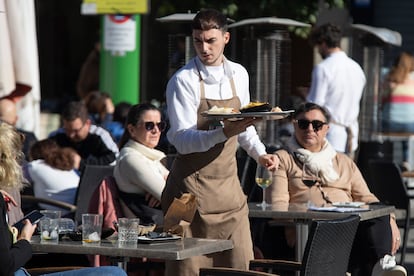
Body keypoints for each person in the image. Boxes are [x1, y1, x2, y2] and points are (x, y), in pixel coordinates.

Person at [161, 8, 278, 275]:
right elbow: (181, 141)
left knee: (242, 267)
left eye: (210, 40)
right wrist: (223, 133)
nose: (204, 48)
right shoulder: (183, 80)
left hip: (229, 194)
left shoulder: (239, 74)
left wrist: (260, 154)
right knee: (186, 271)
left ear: (226, 38)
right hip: (186, 195)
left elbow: (244, 125)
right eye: (198, 41)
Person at [269, 102, 401, 276]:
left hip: (348, 228)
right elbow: (277, 206)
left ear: (326, 129)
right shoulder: (283, 159)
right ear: (295, 125)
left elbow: (368, 198)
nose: (310, 129)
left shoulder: (343, 161)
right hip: (309, 230)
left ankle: (383, 265)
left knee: (379, 214)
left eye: (316, 125)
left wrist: (390, 218)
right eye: (303, 124)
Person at [0, 121, 126, 276]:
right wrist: (24, 239)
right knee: (115, 274)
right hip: (69, 219)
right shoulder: (68, 169)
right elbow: (6, 265)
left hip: (55, 225)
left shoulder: (34, 167)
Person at [306, 23, 366, 158]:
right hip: (351, 136)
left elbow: (314, 106)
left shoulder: (323, 68)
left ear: (322, 43)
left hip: (330, 135)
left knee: (325, 178)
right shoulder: (357, 68)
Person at [114, 103, 168, 226]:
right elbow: (171, 196)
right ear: (132, 130)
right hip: (147, 234)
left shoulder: (151, 156)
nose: (156, 130)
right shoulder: (131, 158)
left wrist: (162, 190)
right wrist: (163, 189)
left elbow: (170, 190)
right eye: (149, 126)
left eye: (160, 125)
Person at [48, 101, 118, 172]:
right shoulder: (55, 136)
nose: (71, 135)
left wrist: (82, 164)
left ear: (88, 123)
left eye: (76, 131)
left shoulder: (100, 135)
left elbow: (115, 160)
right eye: (67, 130)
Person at [23, 139, 80, 215]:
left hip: (55, 214)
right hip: (75, 212)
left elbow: (12, 178)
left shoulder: (35, 166)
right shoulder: (70, 170)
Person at [382, 52, 414, 169]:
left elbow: (382, 100)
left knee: (389, 126)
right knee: (408, 128)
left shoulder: (387, 76)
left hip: (390, 123)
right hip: (410, 125)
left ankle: (388, 160)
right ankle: (406, 160)